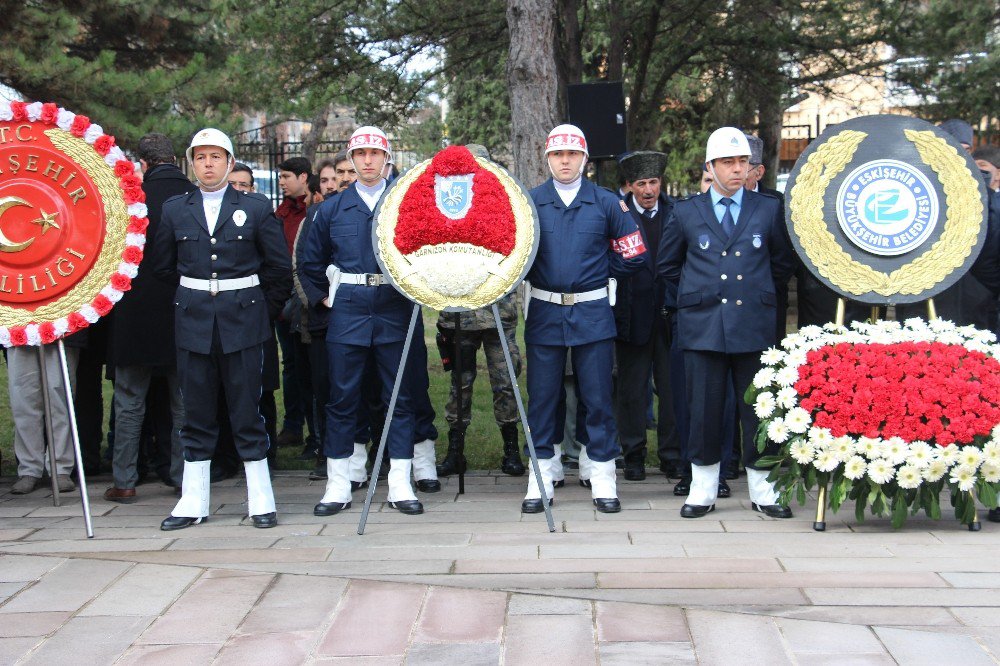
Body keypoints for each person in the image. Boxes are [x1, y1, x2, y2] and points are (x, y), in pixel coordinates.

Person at [152, 128, 292, 530]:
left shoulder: (257, 206)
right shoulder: (176, 209)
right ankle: (193, 501)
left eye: (216, 157)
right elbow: (163, 266)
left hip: (244, 320)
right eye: (200, 157)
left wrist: (262, 312)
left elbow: (279, 269)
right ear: (191, 163)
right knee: (195, 411)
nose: (208, 164)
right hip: (194, 321)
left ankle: (261, 497)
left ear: (230, 163)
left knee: (246, 408)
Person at [657, 127, 796, 519]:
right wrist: (698, 296)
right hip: (702, 326)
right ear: (710, 167)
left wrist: (758, 293)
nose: (737, 170)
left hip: (753, 325)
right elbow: (668, 265)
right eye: (728, 163)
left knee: (758, 409)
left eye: (742, 162)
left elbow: (782, 262)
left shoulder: (768, 208)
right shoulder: (685, 212)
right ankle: (702, 488)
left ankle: (763, 489)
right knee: (703, 409)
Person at [521, 124, 647, 514]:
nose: (564, 161)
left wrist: (599, 273)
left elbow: (634, 252)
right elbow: (513, 253)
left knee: (596, 395)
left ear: (584, 159)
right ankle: (542, 470)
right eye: (558, 155)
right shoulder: (530, 202)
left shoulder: (608, 202)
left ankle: (603, 473)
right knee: (543, 396)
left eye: (572, 154)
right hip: (543, 310)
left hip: (592, 310)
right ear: (547, 159)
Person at [302, 125, 425, 516]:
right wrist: (326, 299)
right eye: (361, 155)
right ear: (350, 161)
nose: (368, 161)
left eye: (375, 153)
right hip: (350, 308)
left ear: (387, 158)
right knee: (342, 397)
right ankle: (338, 483)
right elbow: (310, 262)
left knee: (400, 397)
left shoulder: (407, 204)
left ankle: (401, 483)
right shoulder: (330, 209)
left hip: (395, 304)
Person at [104, 133, 193, 503]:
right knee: (182, 402)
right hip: (182, 310)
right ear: (175, 159)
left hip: (134, 316)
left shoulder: (127, 200)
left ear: (142, 163)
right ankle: (181, 475)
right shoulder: (193, 197)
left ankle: (125, 479)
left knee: (129, 402)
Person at [434, 144, 526, 479]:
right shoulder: (445, 210)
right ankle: (455, 452)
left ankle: (511, 451)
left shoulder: (503, 208)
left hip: (497, 313)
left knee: (506, 383)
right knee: (460, 385)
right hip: (458, 315)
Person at [612, 150, 680, 482]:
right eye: (642, 184)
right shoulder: (618, 213)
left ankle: (671, 454)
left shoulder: (676, 212)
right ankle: (634, 454)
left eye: (654, 182)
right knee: (632, 390)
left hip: (669, 317)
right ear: (630, 185)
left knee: (670, 389)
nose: (649, 190)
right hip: (631, 314)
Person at [274, 157, 315, 452]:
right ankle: (292, 425)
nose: (282, 181)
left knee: (310, 366)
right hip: (283, 302)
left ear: (303, 177)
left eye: (287, 176)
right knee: (290, 365)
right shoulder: (281, 212)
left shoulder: (312, 211)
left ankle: (315, 430)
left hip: (308, 299)